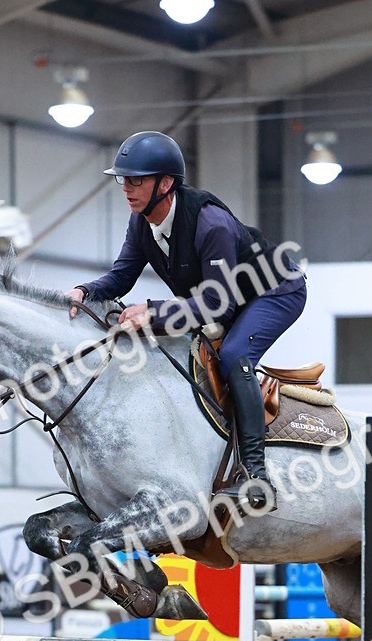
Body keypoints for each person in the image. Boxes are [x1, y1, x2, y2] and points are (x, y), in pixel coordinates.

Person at [66, 130, 307, 512]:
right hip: (227, 297)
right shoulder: (141, 222)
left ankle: (256, 477)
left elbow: (217, 307)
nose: (126, 188)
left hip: (276, 290)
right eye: (123, 180)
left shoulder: (211, 224)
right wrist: (84, 291)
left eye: (136, 181)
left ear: (165, 184)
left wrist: (153, 311)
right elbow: (121, 277)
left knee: (234, 356)